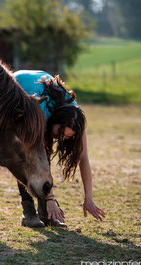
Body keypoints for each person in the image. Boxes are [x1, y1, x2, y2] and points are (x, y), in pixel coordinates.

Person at [13, 70, 105, 228]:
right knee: (25, 154)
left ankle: (45, 213)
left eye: (67, 137)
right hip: (16, 88)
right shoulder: (40, 111)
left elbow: (84, 158)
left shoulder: (76, 118)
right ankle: (28, 212)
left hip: (39, 86)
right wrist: (50, 200)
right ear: (55, 120)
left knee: (41, 157)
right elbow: (36, 157)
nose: (60, 139)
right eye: (60, 133)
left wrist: (88, 198)